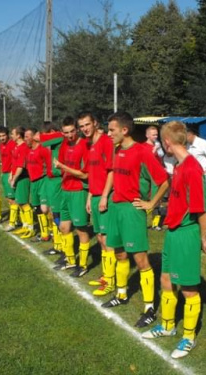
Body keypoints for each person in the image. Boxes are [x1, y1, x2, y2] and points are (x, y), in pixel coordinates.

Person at [141, 120, 206, 359]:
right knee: (166, 279)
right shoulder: (180, 166)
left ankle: (188, 337)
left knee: (189, 289)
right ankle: (168, 325)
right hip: (173, 231)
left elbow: (203, 209)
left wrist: (202, 238)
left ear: (167, 142)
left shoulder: (192, 168)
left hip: (186, 233)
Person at [101, 111, 169, 329]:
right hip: (115, 208)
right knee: (119, 254)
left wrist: (151, 204)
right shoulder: (117, 149)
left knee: (141, 261)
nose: (108, 133)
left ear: (124, 130)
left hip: (132, 211)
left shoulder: (143, 151)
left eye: (111, 130)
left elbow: (164, 180)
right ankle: (121, 294)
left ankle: (149, 308)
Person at [77, 111, 116, 296]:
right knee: (100, 237)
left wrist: (104, 196)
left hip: (104, 197)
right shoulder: (89, 144)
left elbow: (111, 172)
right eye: (82, 126)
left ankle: (111, 281)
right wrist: (90, 196)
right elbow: (93, 173)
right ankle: (106, 275)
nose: (84, 129)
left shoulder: (106, 142)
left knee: (107, 239)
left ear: (95, 122)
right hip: (95, 196)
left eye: (87, 124)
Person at [53, 116, 91, 277]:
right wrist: (63, 173)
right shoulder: (64, 144)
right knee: (64, 227)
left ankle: (82, 265)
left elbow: (85, 175)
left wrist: (63, 167)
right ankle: (70, 260)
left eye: (72, 132)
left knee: (81, 229)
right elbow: (62, 168)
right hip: (65, 191)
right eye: (66, 132)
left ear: (76, 130)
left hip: (78, 192)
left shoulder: (84, 145)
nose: (69, 135)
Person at [38, 122, 64, 254]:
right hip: (49, 180)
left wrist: (39, 136)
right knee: (54, 214)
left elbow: (40, 140)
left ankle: (63, 246)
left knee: (58, 214)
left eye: (47, 133)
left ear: (53, 131)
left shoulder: (60, 137)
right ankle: (58, 245)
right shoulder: (54, 144)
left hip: (57, 180)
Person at [24, 128, 51, 241]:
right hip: (33, 182)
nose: (25, 139)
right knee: (37, 209)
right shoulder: (28, 150)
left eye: (27, 136)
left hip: (43, 180)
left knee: (45, 208)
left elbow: (50, 165)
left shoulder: (43, 149)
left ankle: (52, 228)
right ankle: (44, 234)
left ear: (34, 136)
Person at [9, 127, 33, 239]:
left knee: (24, 203)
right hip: (17, 177)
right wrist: (11, 175)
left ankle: (30, 228)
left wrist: (14, 178)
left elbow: (21, 166)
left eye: (12, 133)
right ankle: (25, 225)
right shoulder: (16, 146)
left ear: (18, 135)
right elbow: (14, 164)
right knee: (19, 202)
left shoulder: (23, 147)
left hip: (23, 178)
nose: (11, 135)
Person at [0, 126, 19, 231]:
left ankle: (12, 223)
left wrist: (12, 173)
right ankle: (17, 220)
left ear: (7, 135)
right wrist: (2, 172)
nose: (2, 138)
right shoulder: (1, 145)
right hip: (4, 174)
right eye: (0, 136)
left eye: (3, 136)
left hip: (11, 174)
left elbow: (15, 160)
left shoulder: (12, 144)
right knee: (9, 198)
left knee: (12, 199)